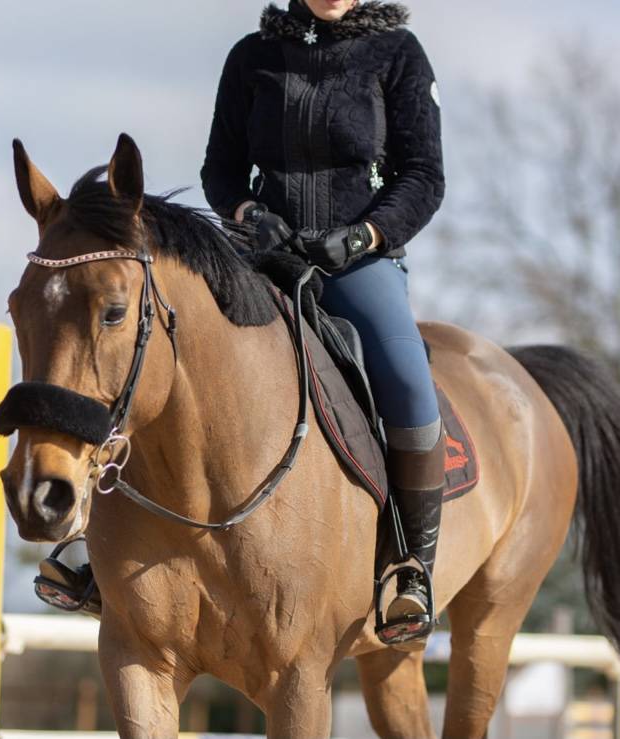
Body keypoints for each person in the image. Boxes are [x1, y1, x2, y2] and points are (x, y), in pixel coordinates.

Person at [200, 0, 446, 645]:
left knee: (408, 382)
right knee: (167, 339)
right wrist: (250, 213)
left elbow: (422, 176)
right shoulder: (250, 57)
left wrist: (366, 235)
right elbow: (219, 170)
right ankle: (95, 545)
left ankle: (409, 568)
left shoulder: (398, 55)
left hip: (355, 259)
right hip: (261, 254)